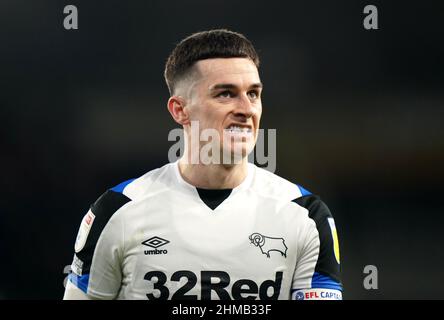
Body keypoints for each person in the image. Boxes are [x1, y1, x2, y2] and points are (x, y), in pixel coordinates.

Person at [63, 29, 342, 300]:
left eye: (253, 94)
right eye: (225, 94)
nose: (246, 109)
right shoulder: (117, 211)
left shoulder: (305, 215)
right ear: (180, 110)